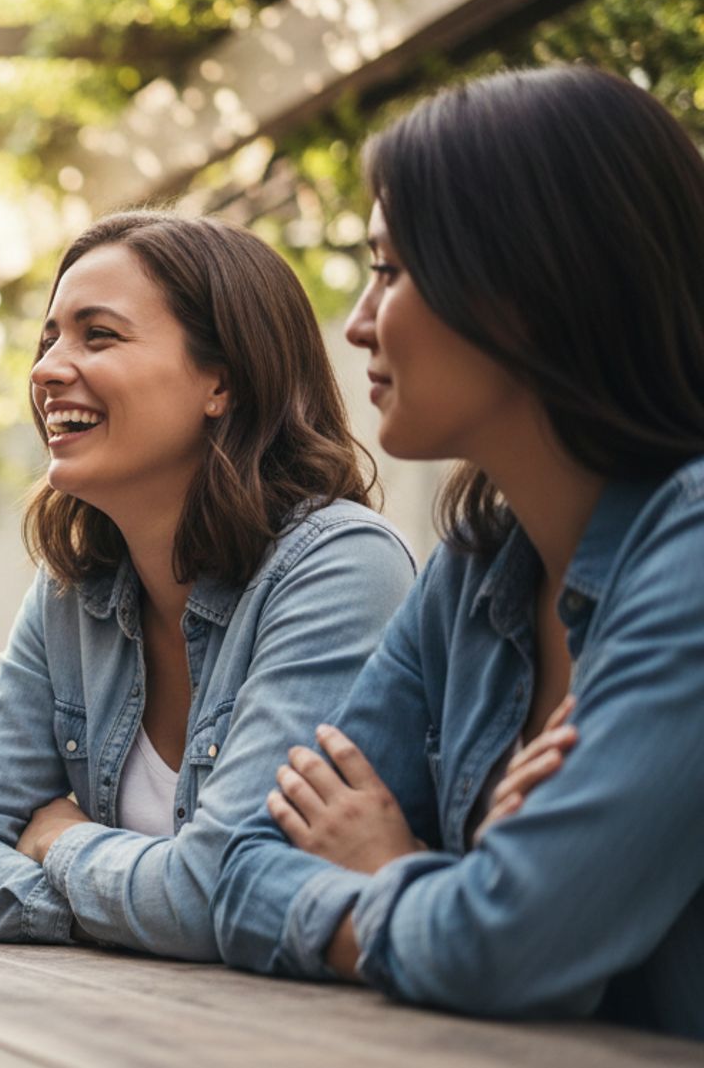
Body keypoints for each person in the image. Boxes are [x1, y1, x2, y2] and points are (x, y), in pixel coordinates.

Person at [213, 66, 704, 1038]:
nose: (356, 322)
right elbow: (242, 872)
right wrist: (470, 893)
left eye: (389, 270)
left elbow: (508, 942)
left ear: (527, 286)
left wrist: (400, 871)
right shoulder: (475, 565)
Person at [0, 211, 414, 956]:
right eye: (49, 337)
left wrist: (61, 839)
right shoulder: (71, 592)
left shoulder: (339, 569)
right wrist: (138, 903)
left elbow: (217, 887)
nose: (47, 369)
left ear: (223, 381)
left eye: (98, 335)